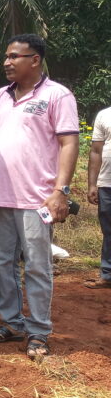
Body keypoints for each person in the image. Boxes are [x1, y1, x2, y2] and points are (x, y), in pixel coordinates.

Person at [0, 34, 79, 359]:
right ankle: (12, 324)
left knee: (37, 267)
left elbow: (69, 144)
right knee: (2, 264)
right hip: (0, 198)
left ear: (34, 59)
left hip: (38, 200)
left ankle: (38, 331)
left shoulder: (57, 96)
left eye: (14, 56)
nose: (7, 62)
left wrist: (60, 191)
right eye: (6, 56)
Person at [86, 104, 111, 289]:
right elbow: (96, 151)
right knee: (109, 230)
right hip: (107, 183)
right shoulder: (104, 115)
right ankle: (108, 274)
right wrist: (92, 184)